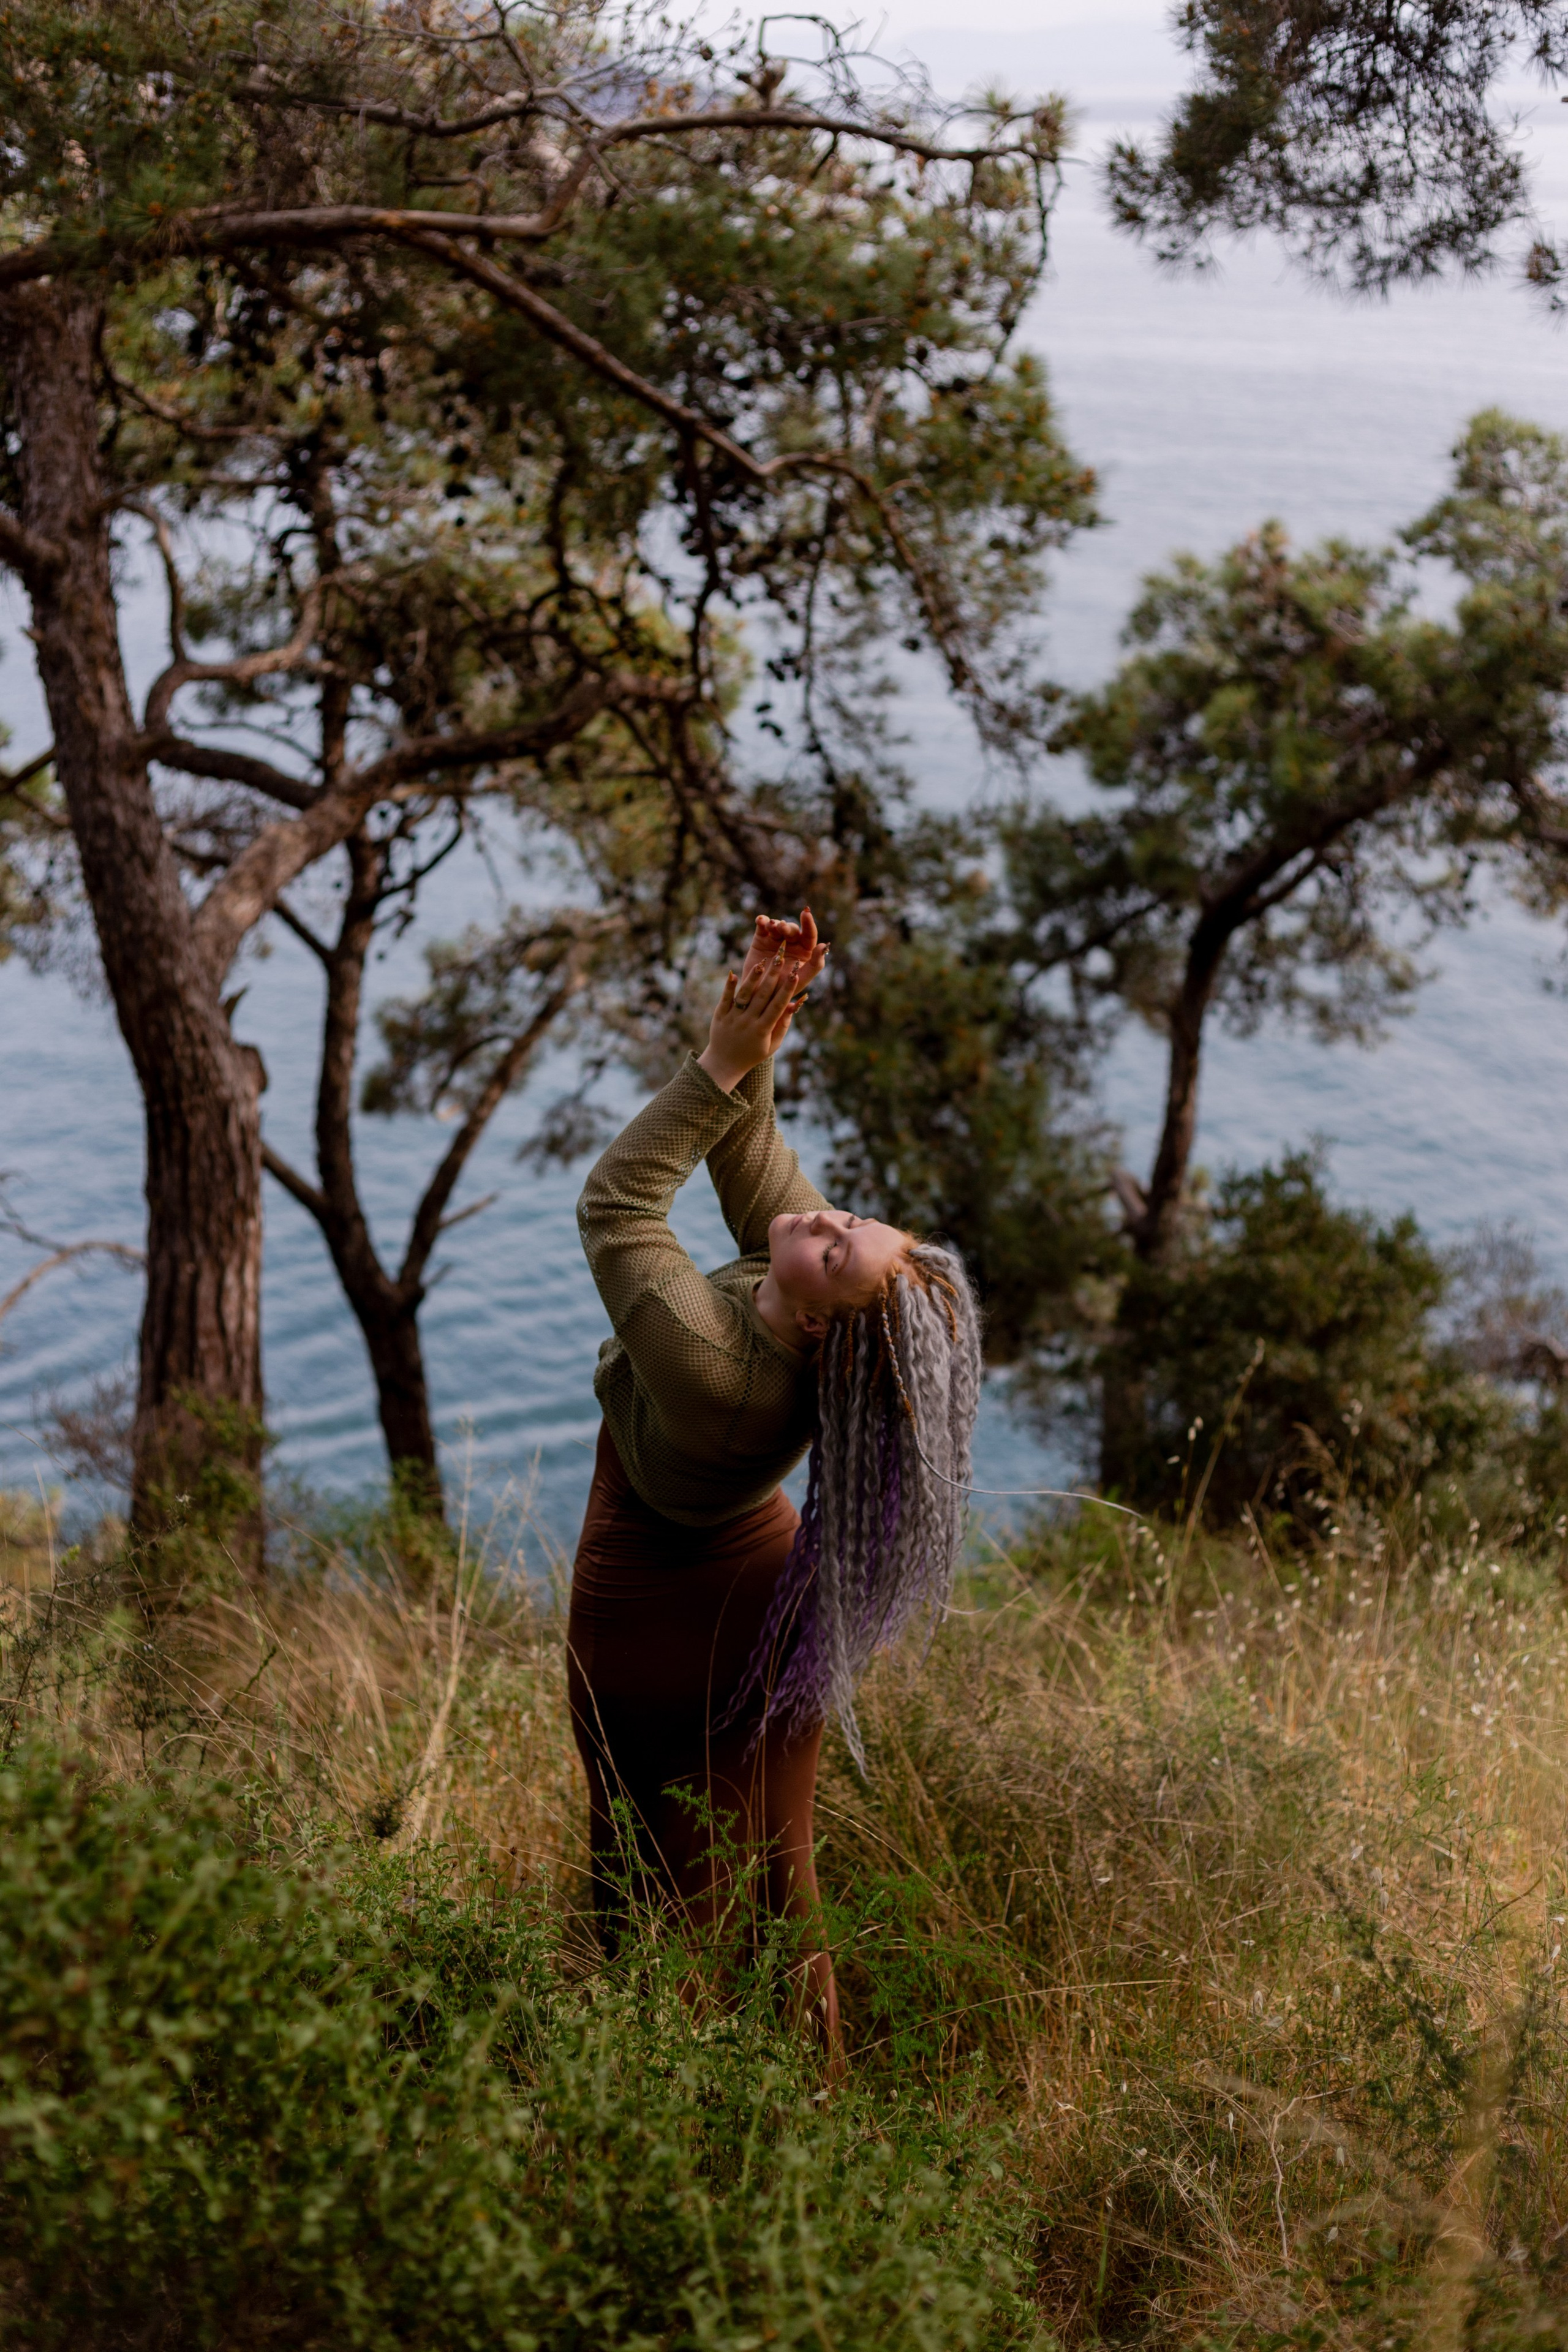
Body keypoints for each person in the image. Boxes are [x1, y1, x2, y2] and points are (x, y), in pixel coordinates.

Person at [567, 910, 982, 2054]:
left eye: (840, 1243)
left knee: (663, 1895)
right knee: (773, 1883)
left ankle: (675, 2112)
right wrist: (751, 1025)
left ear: (815, 1319)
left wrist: (719, 1067)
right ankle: (808, 2100)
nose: (824, 1216)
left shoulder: (715, 1368)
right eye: (852, 1218)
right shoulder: (812, 1326)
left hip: (660, 1617)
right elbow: (758, 1168)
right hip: (761, 1600)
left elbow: (616, 1210)